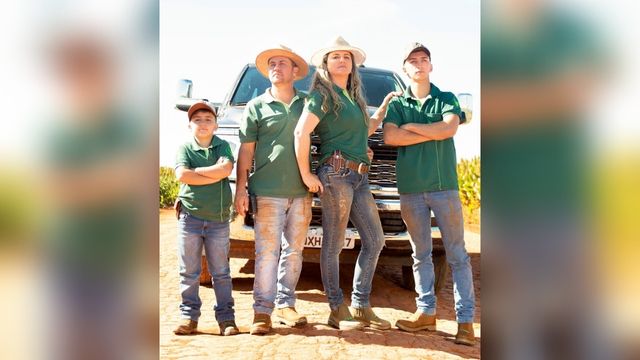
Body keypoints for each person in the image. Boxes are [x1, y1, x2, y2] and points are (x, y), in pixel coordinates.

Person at [294, 36, 399, 331]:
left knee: (376, 240)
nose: (342, 60)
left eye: (346, 56)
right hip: (336, 174)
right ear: (326, 64)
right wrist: (307, 174)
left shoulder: (352, 99)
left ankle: (361, 305)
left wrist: (383, 108)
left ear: (353, 65)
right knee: (334, 244)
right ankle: (336, 308)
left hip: (360, 177)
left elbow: (364, 130)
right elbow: (301, 133)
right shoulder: (322, 95)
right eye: (335, 56)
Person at [382, 42, 475, 345]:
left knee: (457, 255)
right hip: (410, 191)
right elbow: (390, 136)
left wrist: (413, 126)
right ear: (405, 68)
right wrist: (427, 129)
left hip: (443, 188)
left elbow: (448, 130)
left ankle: (465, 322)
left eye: (424, 60)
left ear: (431, 66)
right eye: (413, 61)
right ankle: (426, 314)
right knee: (419, 255)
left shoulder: (446, 98)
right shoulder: (398, 104)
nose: (419, 64)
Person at [235, 45, 312, 335]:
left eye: (282, 63)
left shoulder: (308, 104)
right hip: (266, 191)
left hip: (303, 192)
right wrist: (241, 188)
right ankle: (261, 312)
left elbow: (331, 136)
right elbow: (246, 151)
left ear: (295, 72)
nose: (276, 67)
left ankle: (286, 306)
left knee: (294, 252)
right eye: (272, 64)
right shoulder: (256, 106)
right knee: (267, 252)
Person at [173, 101, 239, 336]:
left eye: (208, 119)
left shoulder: (223, 146)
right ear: (189, 125)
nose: (203, 123)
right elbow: (182, 175)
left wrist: (196, 174)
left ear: (216, 125)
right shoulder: (184, 148)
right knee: (188, 271)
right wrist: (213, 172)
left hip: (218, 220)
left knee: (220, 272)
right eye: (197, 120)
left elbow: (225, 170)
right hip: (189, 217)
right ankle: (189, 317)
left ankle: (226, 319)